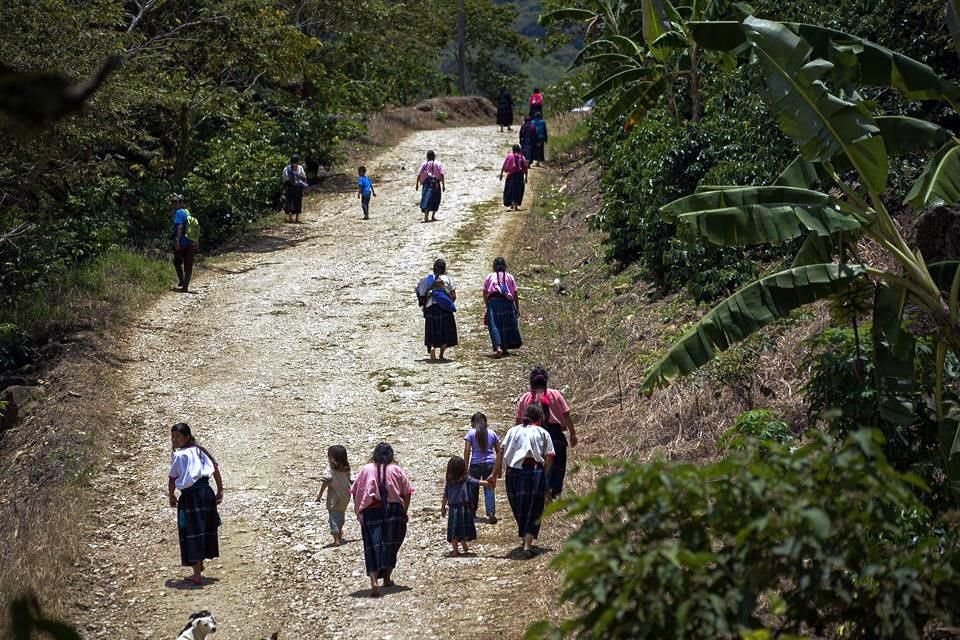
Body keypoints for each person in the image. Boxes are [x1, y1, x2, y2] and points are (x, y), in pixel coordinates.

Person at [350, 443, 414, 597]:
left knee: (371, 545)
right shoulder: (396, 470)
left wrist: (358, 510)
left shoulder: (366, 469)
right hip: (393, 510)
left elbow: (355, 490)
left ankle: (373, 581)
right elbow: (407, 492)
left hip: (371, 511)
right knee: (391, 544)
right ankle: (386, 576)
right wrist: (404, 511)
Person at [491, 404, 555, 558]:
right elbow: (550, 456)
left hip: (513, 473)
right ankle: (527, 543)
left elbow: (501, 450)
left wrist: (495, 473)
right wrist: (543, 474)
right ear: (539, 418)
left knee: (519, 507)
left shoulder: (513, 431)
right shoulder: (542, 432)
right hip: (533, 471)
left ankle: (526, 539)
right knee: (534, 508)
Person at [168, 422, 224, 586]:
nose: (175, 440)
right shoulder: (201, 451)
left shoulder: (179, 456)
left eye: (178, 436)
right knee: (204, 529)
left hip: (190, 497)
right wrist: (220, 490)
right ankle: (198, 566)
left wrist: (171, 495)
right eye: (173, 437)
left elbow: (172, 478)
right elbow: (215, 469)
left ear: (186, 437)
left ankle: (197, 574)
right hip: (206, 494)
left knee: (190, 532)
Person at [514, 366, 577, 499]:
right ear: (546, 381)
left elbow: (518, 422)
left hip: (530, 437)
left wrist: (517, 440)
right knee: (557, 467)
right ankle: (553, 494)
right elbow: (566, 416)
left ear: (531, 382)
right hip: (555, 435)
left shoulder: (525, 398)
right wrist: (573, 433)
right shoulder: (555, 394)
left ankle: (539, 492)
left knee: (536, 466)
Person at [441, 456, 493, 556]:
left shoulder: (449, 481)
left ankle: (456, 550)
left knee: (454, 530)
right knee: (463, 527)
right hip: (464, 507)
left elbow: (445, 495)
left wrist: (443, 507)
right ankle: (463, 544)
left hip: (453, 509)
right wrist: (488, 483)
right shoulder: (465, 479)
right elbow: (477, 482)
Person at [416, 258, 458, 361]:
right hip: (444, 309)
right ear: (444, 269)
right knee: (446, 332)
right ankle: (441, 354)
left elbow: (420, 293)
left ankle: (433, 348)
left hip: (431, 308)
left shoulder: (428, 279)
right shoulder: (448, 279)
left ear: (434, 268)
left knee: (432, 330)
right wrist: (449, 303)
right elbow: (453, 295)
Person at [463, 412, 500, 523]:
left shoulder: (471, 433)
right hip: (490, 463)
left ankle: (472, 512)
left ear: (474, 423)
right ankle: (491, 513)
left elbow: (467, 451)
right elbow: (499, 452)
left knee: (473, 488)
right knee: (489, 486)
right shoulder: (492, 433)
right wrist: (499, 469)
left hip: (475, 463)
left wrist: (465, 467)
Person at [483, 257, 522, 357]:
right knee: (506, 324)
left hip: (494, 302)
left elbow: (485, 291)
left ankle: (499, 348)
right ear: (505, 266)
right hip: (507, 303)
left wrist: (488, 305)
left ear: (494, 266)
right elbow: (515, 293)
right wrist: (517, 308)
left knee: (495, 325)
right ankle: (505, 348)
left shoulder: (489, 276)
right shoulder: (509, 277)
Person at [316, 445, 352, 546]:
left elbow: (326, 480)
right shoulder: (346, 467)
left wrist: (319, 495)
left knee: (333, 516)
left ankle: (336, 539)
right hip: (346, 495)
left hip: (334, 497)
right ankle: (340, 531)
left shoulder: (330, 468)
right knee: (341, 513)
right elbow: (351, 480)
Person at [171, 194, 198, 293]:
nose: (173, 204)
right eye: (172, 202)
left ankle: (182, 281)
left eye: (175, 202)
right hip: (191, 242)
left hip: (182, 243)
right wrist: (196, 240)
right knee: (188, 264)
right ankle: (185, 286)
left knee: (177, 261)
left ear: (181, 203)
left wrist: (177, 240)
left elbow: (180, 227)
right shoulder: (188, 212)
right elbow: (194, 226)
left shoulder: (178, 212)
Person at [415, 150, 445, 222]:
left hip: (427, 183)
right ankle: (433, 216)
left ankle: (426, 216)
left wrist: (417, 184)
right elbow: (442, 174)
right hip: (436, 184)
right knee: (436, 199)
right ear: (434, 156)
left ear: (427, 157)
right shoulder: (438, 164)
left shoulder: (424, 164)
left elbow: (419, 174)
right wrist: (443, 184)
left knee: (426, 198)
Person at [499, 145, 528, 211]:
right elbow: (525, 167)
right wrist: (526, 177)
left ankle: (511, 203)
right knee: (518, 191)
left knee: (510, 190)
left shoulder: (509, 156)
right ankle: (516, 206)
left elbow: (504, 165)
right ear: (519, 150)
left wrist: (501, 174)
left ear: (513, 149)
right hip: (520, 176)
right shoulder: (522, 157)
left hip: (511, 175)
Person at [282, 154, 308, 223]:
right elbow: (304, 176)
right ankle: (296, 218)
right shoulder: (300, 168)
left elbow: (285, 178)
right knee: (298, 202)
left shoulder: (286, 168)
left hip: (290, 187)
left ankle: (291, 218)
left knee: (290, 202)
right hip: (298, 187)